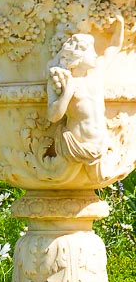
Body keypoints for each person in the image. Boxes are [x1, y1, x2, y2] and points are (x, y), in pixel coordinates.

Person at [46, 15, 124, 169]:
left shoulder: (97, 73)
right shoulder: (64, 80)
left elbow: (114, 47)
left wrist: (120, 25)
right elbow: (53, 116)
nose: (96, 54)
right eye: (91, 51)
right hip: (76, 146)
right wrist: (67, 94)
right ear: (78, 56)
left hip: (100, 144)